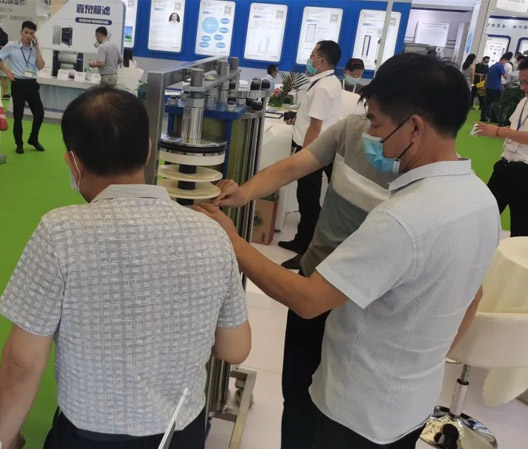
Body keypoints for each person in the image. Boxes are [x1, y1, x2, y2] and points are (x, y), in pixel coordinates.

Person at [198, 53, 500, 449]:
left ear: (414, 127)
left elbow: (309, 300)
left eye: (377, 123)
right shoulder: (481, 200)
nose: (370, 133)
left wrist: (233, 241)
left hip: (355, 411)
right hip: (410, 405)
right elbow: (473, 298)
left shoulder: (403, 219)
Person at [0, 86, 251, 449]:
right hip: (180, 431)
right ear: (148, 150)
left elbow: (24, 361)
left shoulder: (61, 232)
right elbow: (235, 349)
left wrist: (1, 437)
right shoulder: (211, 234)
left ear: (73, 162)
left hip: (89, 436)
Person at [280, 40, 343, 270]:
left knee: (308, 199)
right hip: (320, 147)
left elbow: (315, 126)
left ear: (321, 60)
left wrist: (303, 158)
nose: (310, 58)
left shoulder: (323, 87)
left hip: (314, 150)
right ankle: (301, 239)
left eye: (313, 54)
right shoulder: (328, 82)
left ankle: (306, 250)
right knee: (306, 196)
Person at [474, 57, 528, 237]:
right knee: (484, 218)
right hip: (505, 166)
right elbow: (515, 128)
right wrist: (494, 130)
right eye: (522, 82)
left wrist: (498, 131)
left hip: (525, 174)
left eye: (527, 82)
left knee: (520, 228)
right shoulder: (523, 101)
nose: (523, 87)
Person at [0, 21, 46, 154]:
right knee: (18, 116)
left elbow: (40, 66)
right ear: (21, 32)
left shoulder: (35, 49)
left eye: (31, 33)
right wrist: (7, 72)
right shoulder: (12, 46)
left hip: (32, 83)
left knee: (39, 114)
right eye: (26, 32)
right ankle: (19, 143)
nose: (28, 36)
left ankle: (33, 138)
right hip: (18, 83)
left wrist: (37, 48)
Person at [481, 53, 511, 122]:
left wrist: (484, 86)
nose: (505, 63)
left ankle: (483, 116)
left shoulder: (492, 66)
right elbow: (505, 76)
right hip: (496, 87)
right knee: (496, 103)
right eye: (506, 61)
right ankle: (493, 118)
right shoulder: (500, 66)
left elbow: (486, 77)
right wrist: (509, 82)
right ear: (504, 60)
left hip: (489, 87)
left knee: (487, 103)